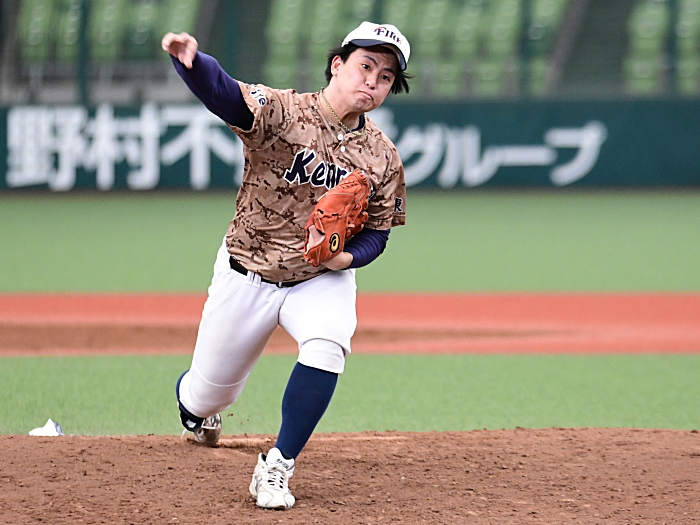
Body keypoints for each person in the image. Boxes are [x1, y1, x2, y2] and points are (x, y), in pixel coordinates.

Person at [162, 21, 411, 510]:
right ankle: (200, 411)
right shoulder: (283, 111)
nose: (372, 81)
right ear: (337, 65)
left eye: (385, 77)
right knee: (203, 398)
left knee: (329, 343)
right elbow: (226, 95)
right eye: (365, 66)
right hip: (246, 271)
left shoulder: (382, 157)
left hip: (319, 278)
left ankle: (278, 464)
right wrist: (192, 63)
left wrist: (346, 257)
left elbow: (379, 232)